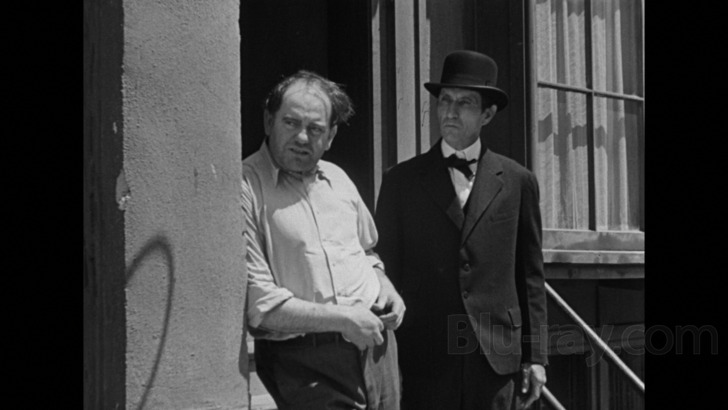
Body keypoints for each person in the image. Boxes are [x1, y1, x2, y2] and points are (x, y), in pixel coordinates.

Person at [374, 50, 548, 409]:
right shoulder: (400, 181)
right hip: (425, 357)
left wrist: (536, 357)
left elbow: (530, 276)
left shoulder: (518, 181)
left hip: (496, 358)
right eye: (445, 100)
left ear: (488, 114)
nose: (450, 112)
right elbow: (383, 270)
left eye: (464, 103)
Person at [241, 70, 405, 410]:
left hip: (378, 349)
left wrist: (385, 286)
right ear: (269, 121)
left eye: (315, 129)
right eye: (291, 123)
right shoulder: (246, 187)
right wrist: (344, 319)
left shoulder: (339, 178)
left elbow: (366, 250)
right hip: (305, 362)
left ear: (330, 136)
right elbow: (260, 304)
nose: (302, 137)